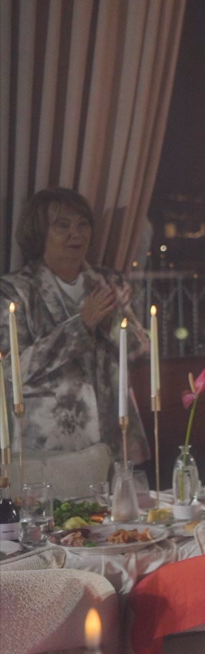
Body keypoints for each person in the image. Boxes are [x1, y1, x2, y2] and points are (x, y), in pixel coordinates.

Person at [0, 188, 150, 461]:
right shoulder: (14, 290)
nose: (76, 233)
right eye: (63, 225)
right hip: (51, 443)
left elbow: (140, 351)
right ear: (39, 233)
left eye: (83, 224)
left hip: (114, 436)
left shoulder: (110, 283)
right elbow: (11, 369)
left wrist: (111, 323)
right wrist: (79, 326)